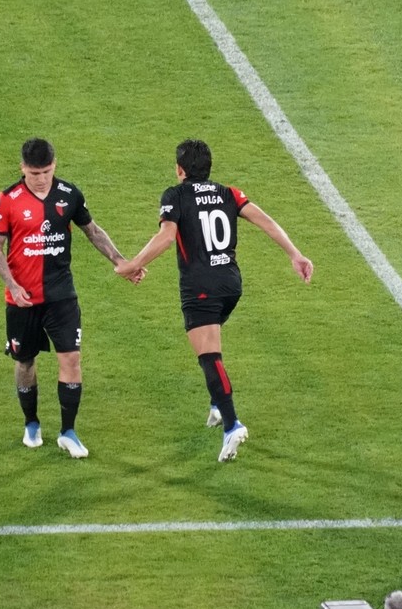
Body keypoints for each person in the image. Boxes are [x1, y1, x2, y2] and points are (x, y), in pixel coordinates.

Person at [114, 139, 312, 462]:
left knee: (209, 356)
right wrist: (295, 254)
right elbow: (265, 221)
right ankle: (217, 406)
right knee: (210, 345)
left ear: (179, 170)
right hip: (231, 284)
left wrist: (133, 264)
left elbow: (166, 236)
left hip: (200, 287)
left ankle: (232, 423)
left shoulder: (174, 195)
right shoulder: (229, 193)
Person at [0, 138, 140, 458]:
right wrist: (13, 286)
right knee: (25, 362)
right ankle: (31, 422)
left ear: (55, 165)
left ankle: (68, 431)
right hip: (23, 300)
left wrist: (121, 262)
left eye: (45, 171)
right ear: (22, 168)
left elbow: (93, 231)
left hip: (61, 297)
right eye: (33, 172)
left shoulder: (69, 195)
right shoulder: (7, 200)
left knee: (71, 359)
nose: (41, 178)